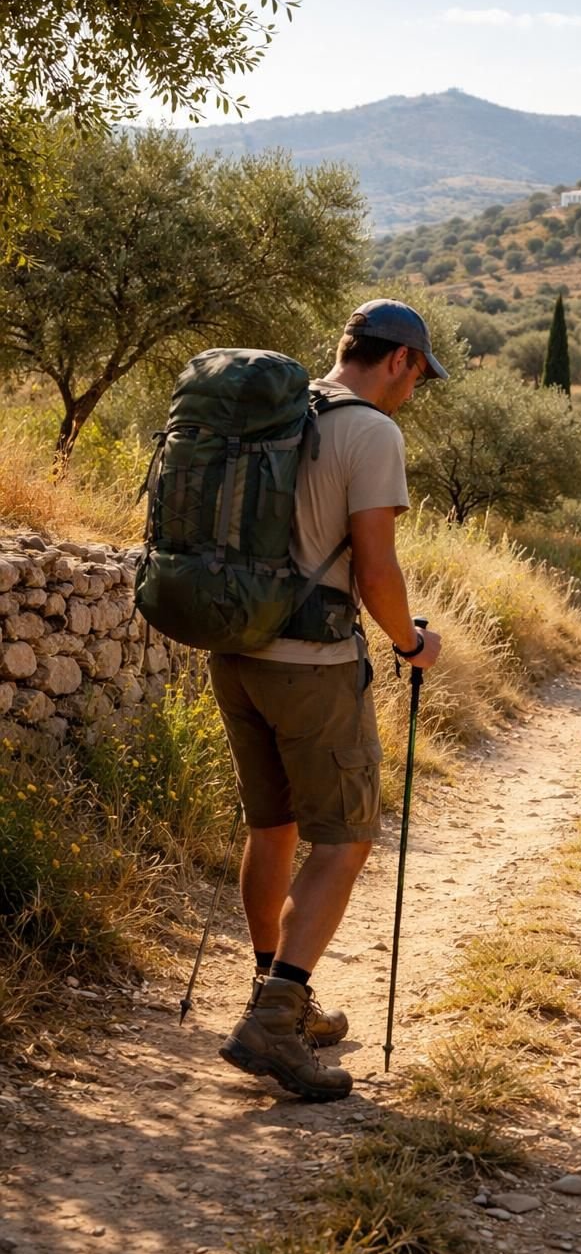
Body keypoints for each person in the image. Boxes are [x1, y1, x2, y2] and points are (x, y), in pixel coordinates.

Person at [210, 299, 445, 1100]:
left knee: (270, 826)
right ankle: (276, 1024)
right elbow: (376, 571)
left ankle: (274, 990)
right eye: (419, 375)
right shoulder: (373, 432)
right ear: (400, 361)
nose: (414, 391)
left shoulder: (280, 410)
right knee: (344, 838)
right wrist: (413, 644)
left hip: (236, 652)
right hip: (310, 662)